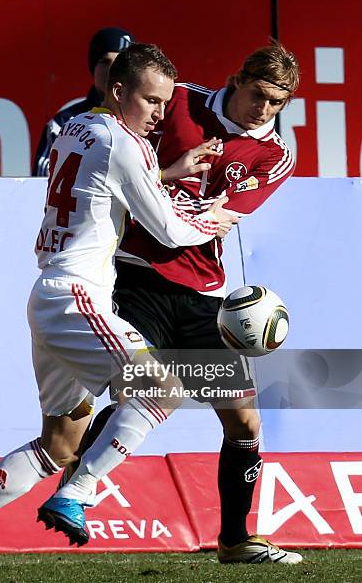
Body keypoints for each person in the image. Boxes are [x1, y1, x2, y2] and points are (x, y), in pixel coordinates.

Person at [0, 43, 237, 567]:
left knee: (60, 443)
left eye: (164, 102)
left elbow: (104, 187)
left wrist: (169, 172)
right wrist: (211, 220)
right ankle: (78, 491)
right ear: (118, 91)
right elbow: (168, 229)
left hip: (51, 296)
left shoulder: (82, 126)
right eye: (151, 100)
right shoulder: (126, 144)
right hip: (76, 296)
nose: (159, 112)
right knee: (165, 387)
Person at [78, 42, 303, 564]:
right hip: (140, 276)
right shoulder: (176, 101)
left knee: (243, 423)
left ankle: (234, 540)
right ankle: (71, 473)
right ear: (237, 78)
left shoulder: (274, 155)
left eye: (277, 103)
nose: (264, 110)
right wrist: (167, 183)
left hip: (204, 293)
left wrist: (168, 198)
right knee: (137, 392)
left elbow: (221, 219)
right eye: (259, 95)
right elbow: (116, 162)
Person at [32, 26, 135, 177]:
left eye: (119, 63)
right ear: (93, 67)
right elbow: (41, 181)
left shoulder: (148, 119)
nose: (112, 70)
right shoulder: (63, 123)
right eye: (105, 62)